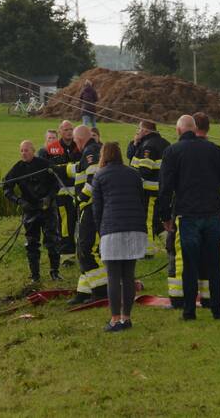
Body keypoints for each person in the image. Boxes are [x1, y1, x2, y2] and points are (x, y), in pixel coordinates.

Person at [159, 115, 220, 321]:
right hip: (212, 213)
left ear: (178, 131)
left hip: (187, 215)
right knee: (214, 264)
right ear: (195, 129)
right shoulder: (214, 150)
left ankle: (189, 311)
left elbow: (165, 187)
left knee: (190, 265)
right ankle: (218, 311)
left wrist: (165, 215)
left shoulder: (172, 152)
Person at [91, 142, 146, 332]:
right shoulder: (133, 173)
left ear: (103, 155)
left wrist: (101, 230)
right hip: (135, 227)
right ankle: (127, 318)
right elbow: (141, 200)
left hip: (112, 228)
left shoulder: (99, 176)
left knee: (113, 276)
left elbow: (97, 208)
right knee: (129, 275)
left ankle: (114, 319)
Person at [3, 140, 62, 282]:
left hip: (47, 208)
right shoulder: (17, 168)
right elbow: (6, 188)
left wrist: (49, 198)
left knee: (52, 241)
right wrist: (19, 201)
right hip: (30, 210)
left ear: (33, 150)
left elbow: (57, 182)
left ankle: (55, 272)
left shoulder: (44, 164)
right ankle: (35, 275)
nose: (24, 153)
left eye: (26, 150)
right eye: (22, 150)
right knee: (31, 243)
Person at [65, 124, 106, 305]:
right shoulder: (89, 151)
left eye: (75, 141)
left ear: (79, 139)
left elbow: (93, 179)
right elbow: (79, 169)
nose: (75, 144)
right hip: (88, 208)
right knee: (83, 249)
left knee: (87, 249)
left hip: (91, 208)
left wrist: (81, 198)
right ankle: (84, 290)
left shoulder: (91, 152)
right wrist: (58, 168)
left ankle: (100, 290)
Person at [126, 120, 170, 256]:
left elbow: (145, 170)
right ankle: (171, 245)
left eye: (139, 129)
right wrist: (135, 143)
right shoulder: (164, 143)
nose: (137, 132)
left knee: (148, 221)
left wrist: (130, 176)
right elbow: (130, 155)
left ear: (145, 131)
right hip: (162, 189)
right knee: (157, 222)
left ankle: (147, 251)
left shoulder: (148, 146)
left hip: (150, 191)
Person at [41, 120, 80, 255]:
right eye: (66, 130)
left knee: (82, 223)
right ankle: (67, 254)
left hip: (80, 192)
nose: (69, 132)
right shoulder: (52, 149)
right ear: (60, 132)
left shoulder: (79, 146)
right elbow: (50, 169)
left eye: (71, 129)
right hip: (62, 194)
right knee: (65, 225)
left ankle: (82, 250)